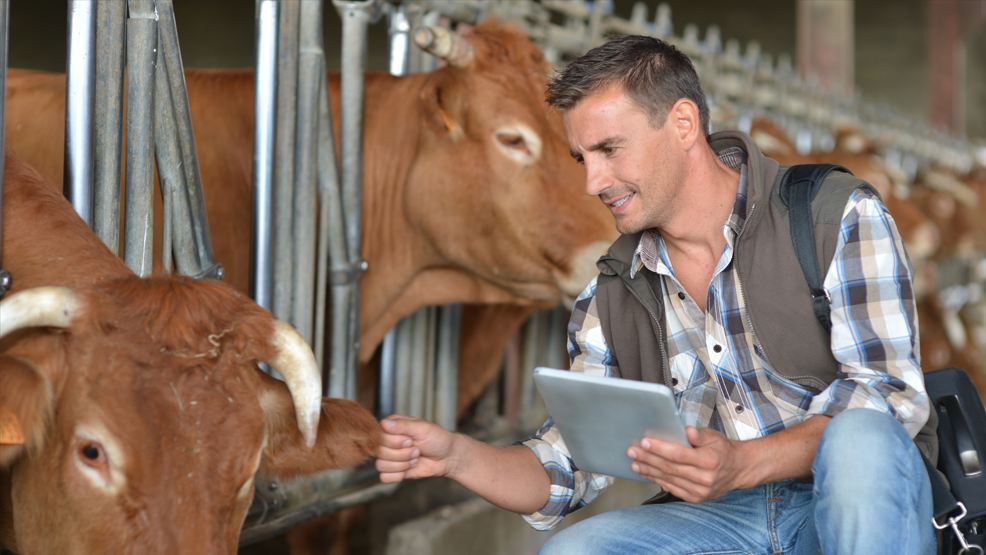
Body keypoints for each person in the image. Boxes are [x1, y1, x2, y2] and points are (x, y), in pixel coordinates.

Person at [375, 34, 937, 555]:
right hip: (721, 520)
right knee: (572, 551)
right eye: (583, 158)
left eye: (610, 150)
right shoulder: (610, 290)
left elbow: (890, 396)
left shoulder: (832, 214)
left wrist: (743, 463)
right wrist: (456, 457)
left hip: (851, 502)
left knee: (860, 440)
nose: (592, 182)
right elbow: (563, 466)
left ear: (684, 124)